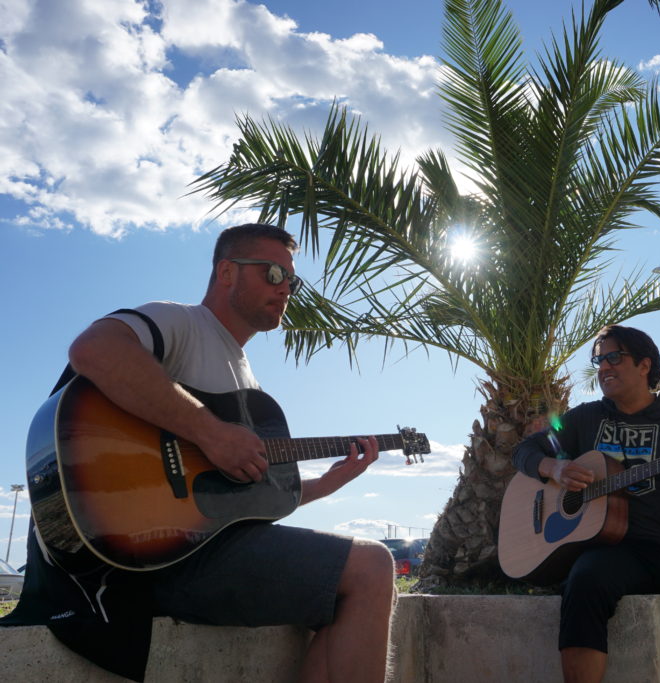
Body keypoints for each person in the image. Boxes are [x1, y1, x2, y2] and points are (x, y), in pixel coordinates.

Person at [11, 224, 396, 682]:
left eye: (291, 280)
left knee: (342, 593)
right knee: (372, 565)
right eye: (273, 272)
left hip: (201, 551)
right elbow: (94, 349)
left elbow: (237, 505)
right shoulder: (181, 322)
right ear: (226, 271)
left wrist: (325, 485)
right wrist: (210, 432)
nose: (285, 288)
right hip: (154, 561)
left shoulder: (246, 380)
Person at [512, 324, 660, 683]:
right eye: (599, 360)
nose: (603, 367)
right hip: (612, 547)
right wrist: (556, 467)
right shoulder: (584, 417)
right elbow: (525, 450)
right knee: (584, 583)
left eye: (614, 357)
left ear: (645, 365)